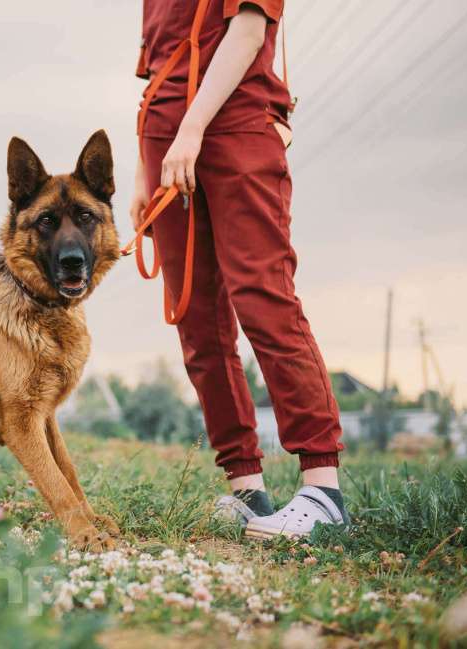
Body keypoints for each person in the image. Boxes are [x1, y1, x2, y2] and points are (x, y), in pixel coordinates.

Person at [131, 0, 348, 538]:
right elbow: (157, 75)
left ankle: (323, 489)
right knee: (198, 322)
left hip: (235, 125)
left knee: (262, 295)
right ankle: (245, 487)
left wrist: (192, 129)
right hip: (168, 143)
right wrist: (143, 172)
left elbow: (248, 33)